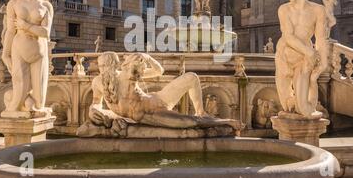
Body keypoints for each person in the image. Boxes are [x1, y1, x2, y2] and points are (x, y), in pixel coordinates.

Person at [90, 52, 242, 130]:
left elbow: (159, 71)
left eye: (105, 66)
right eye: (100, 66)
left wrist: (148, 58)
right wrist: (95, 111)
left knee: (191, 77)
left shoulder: (127, 74)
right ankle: (226, 122)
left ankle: (201, 112)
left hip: (158, 100)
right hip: (151, 114)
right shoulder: (97, 82)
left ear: (115, 65)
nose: (102, 69)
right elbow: (96, 103)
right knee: (186, 123)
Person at [1, 0, 54, 116]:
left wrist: (27, 27)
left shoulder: (46, 6)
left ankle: (30, 107)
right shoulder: (14, 4)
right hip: (19, 49)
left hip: (39, 51)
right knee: (20, 88)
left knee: (39, 103)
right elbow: (11, 31)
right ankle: (15, 109)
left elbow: (45, 33)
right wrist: (5, 54)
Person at [275, 0, 328, 119]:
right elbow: (288, 36)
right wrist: (310, 52)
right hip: (285, 54)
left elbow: (321, 39)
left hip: (304, 58)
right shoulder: (284, 9)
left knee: (303, 108)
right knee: (287, 105)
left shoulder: (319, 10)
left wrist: (323, 61)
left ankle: (310, 86)